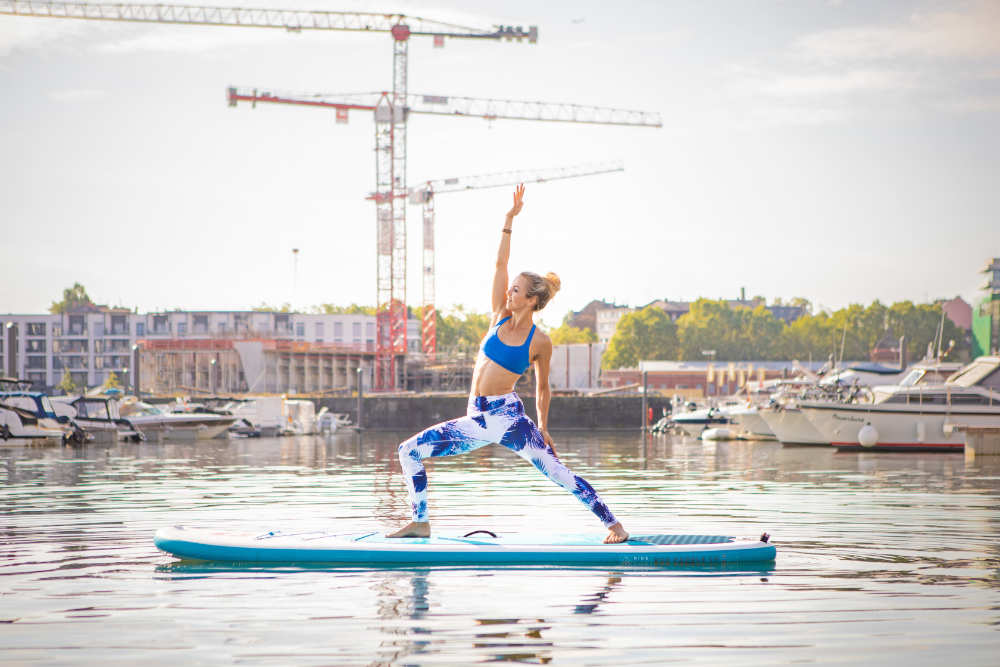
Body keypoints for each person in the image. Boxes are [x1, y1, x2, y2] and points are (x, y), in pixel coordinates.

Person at [388, 184, 629, 544]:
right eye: (511, 287)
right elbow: (500, 264)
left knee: (557, 473)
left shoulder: (541, 341)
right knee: (409, 451)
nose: (509, 292)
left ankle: (615, 527)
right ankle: (420, 522)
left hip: (510, 420)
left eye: (517, 290)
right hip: (476, 418)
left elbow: (544, 387)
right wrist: (508, 219)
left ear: (531, 301)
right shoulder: (498, 316)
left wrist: (544, 427)